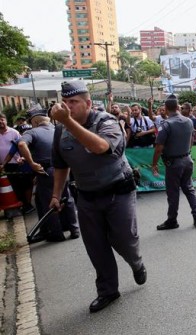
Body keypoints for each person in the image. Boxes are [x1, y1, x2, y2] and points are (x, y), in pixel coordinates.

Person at [50, 80, 146, 313]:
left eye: (73, 102)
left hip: (118, 192)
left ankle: (136, 263)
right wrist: (55, 195)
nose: (68, 106)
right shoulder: (61, 129)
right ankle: (107, 291)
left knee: (124, 240)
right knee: (96, 246)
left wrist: (68, 122)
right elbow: (61, 165)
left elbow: (101, 147)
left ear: (88, 103)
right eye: (65, 102)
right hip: (86, 196)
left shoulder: (107, 121)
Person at [18, 105, 80, 242]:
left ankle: (56, 233)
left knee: (49, 202)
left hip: (46, 171)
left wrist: (31, 163)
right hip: (64, 169)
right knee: (67, 198)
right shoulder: (58, 129)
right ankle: (74, 229)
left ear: (34, 122)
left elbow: (21, 145)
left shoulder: (32, 132)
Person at [152, 94, 196, 230]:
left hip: (174, 163)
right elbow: (191, 139)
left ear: (166, 108)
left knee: (173, 192)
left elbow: (158, 148)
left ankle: (172, 220)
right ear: (177, 107)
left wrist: (154, 164)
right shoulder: (188, 121)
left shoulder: (166, 124)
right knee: (189, 188)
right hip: (187, 159)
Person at [0, 113, 35, 214]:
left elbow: (23, 146)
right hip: (5, 165)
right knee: (14, 186)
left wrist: (22, 157)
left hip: (18, 163)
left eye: (2, 119)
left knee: (25, 184)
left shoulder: (14, 132)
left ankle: (28, 204)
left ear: (6, 120)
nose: (0, 122)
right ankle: (21, 204)